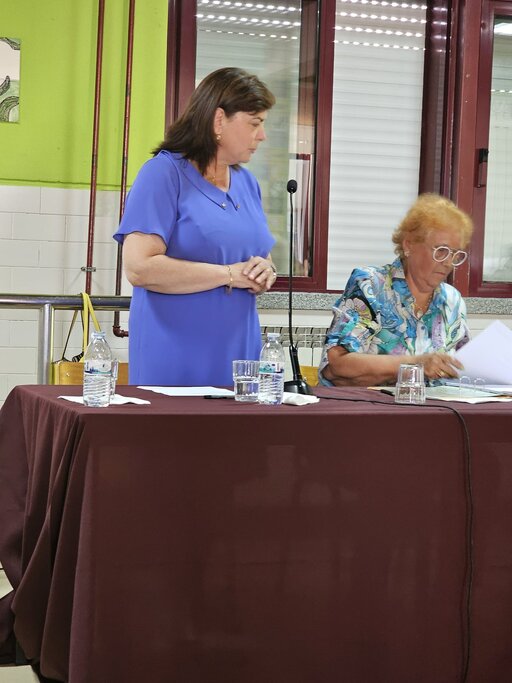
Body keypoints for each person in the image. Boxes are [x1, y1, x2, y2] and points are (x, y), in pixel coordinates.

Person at [114, 67, 277, 386]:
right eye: (255, 123)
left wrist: (265, 270)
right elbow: (139, 268)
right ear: (219, 120)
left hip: (239, 356)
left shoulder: (247, 183)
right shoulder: (162, 174)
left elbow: (258, 256)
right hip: (174, 354)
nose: (262, 135)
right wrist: (229, 274)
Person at [319, 193, 474, 387]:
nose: (448, 262)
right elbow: (337, 365)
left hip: (436, 405)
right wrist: (415, 364)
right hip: (368, 404)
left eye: (455, 254)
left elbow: (464, 371)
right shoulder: (371, 285)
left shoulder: (452, 301)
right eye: (441, 251)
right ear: (409, 244)